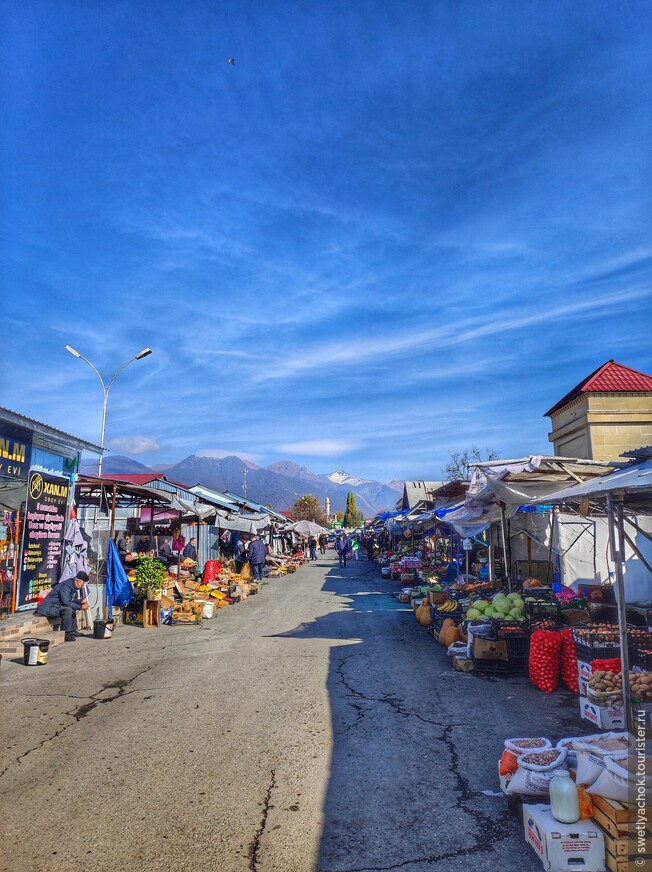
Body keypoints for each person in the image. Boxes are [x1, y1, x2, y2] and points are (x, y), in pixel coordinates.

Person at [35, 571, 90, 642]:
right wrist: (80, 607)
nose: (83, 586)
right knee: (68, 610)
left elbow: (70, 600)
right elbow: (66, 602)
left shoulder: (71, 586)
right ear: (79, 582)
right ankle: (65, 633)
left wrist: (80, 602)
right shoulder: (66, 586)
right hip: (49, 607)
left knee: (72, 608)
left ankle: (72, 630)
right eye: (83, 583)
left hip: (56, 605)